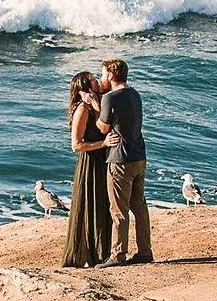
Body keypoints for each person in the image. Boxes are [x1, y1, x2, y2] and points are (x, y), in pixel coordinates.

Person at [96, 56, 153, 264]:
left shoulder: (109, 98)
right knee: (139, 205)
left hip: (120, 159)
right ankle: (145, 251)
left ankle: (118, 254)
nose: (101, 77)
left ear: (111, 75)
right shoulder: (134, 94)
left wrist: (95, 104)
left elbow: (102, 127)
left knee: (118, 210)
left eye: (103, 74)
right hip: (139, 155)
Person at [61, 70, 113, 268]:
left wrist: (97, 105)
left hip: (102, 160)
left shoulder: (95, 106)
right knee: (91, 205)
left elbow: (104, 127)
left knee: (102, 205)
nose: (97, 81)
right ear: (85, 88)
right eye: (93, 80)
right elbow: (76, 145)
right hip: (90, 162)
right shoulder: (82, 110)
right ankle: (88, 254)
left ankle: (102, 253)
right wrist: (103, 144)